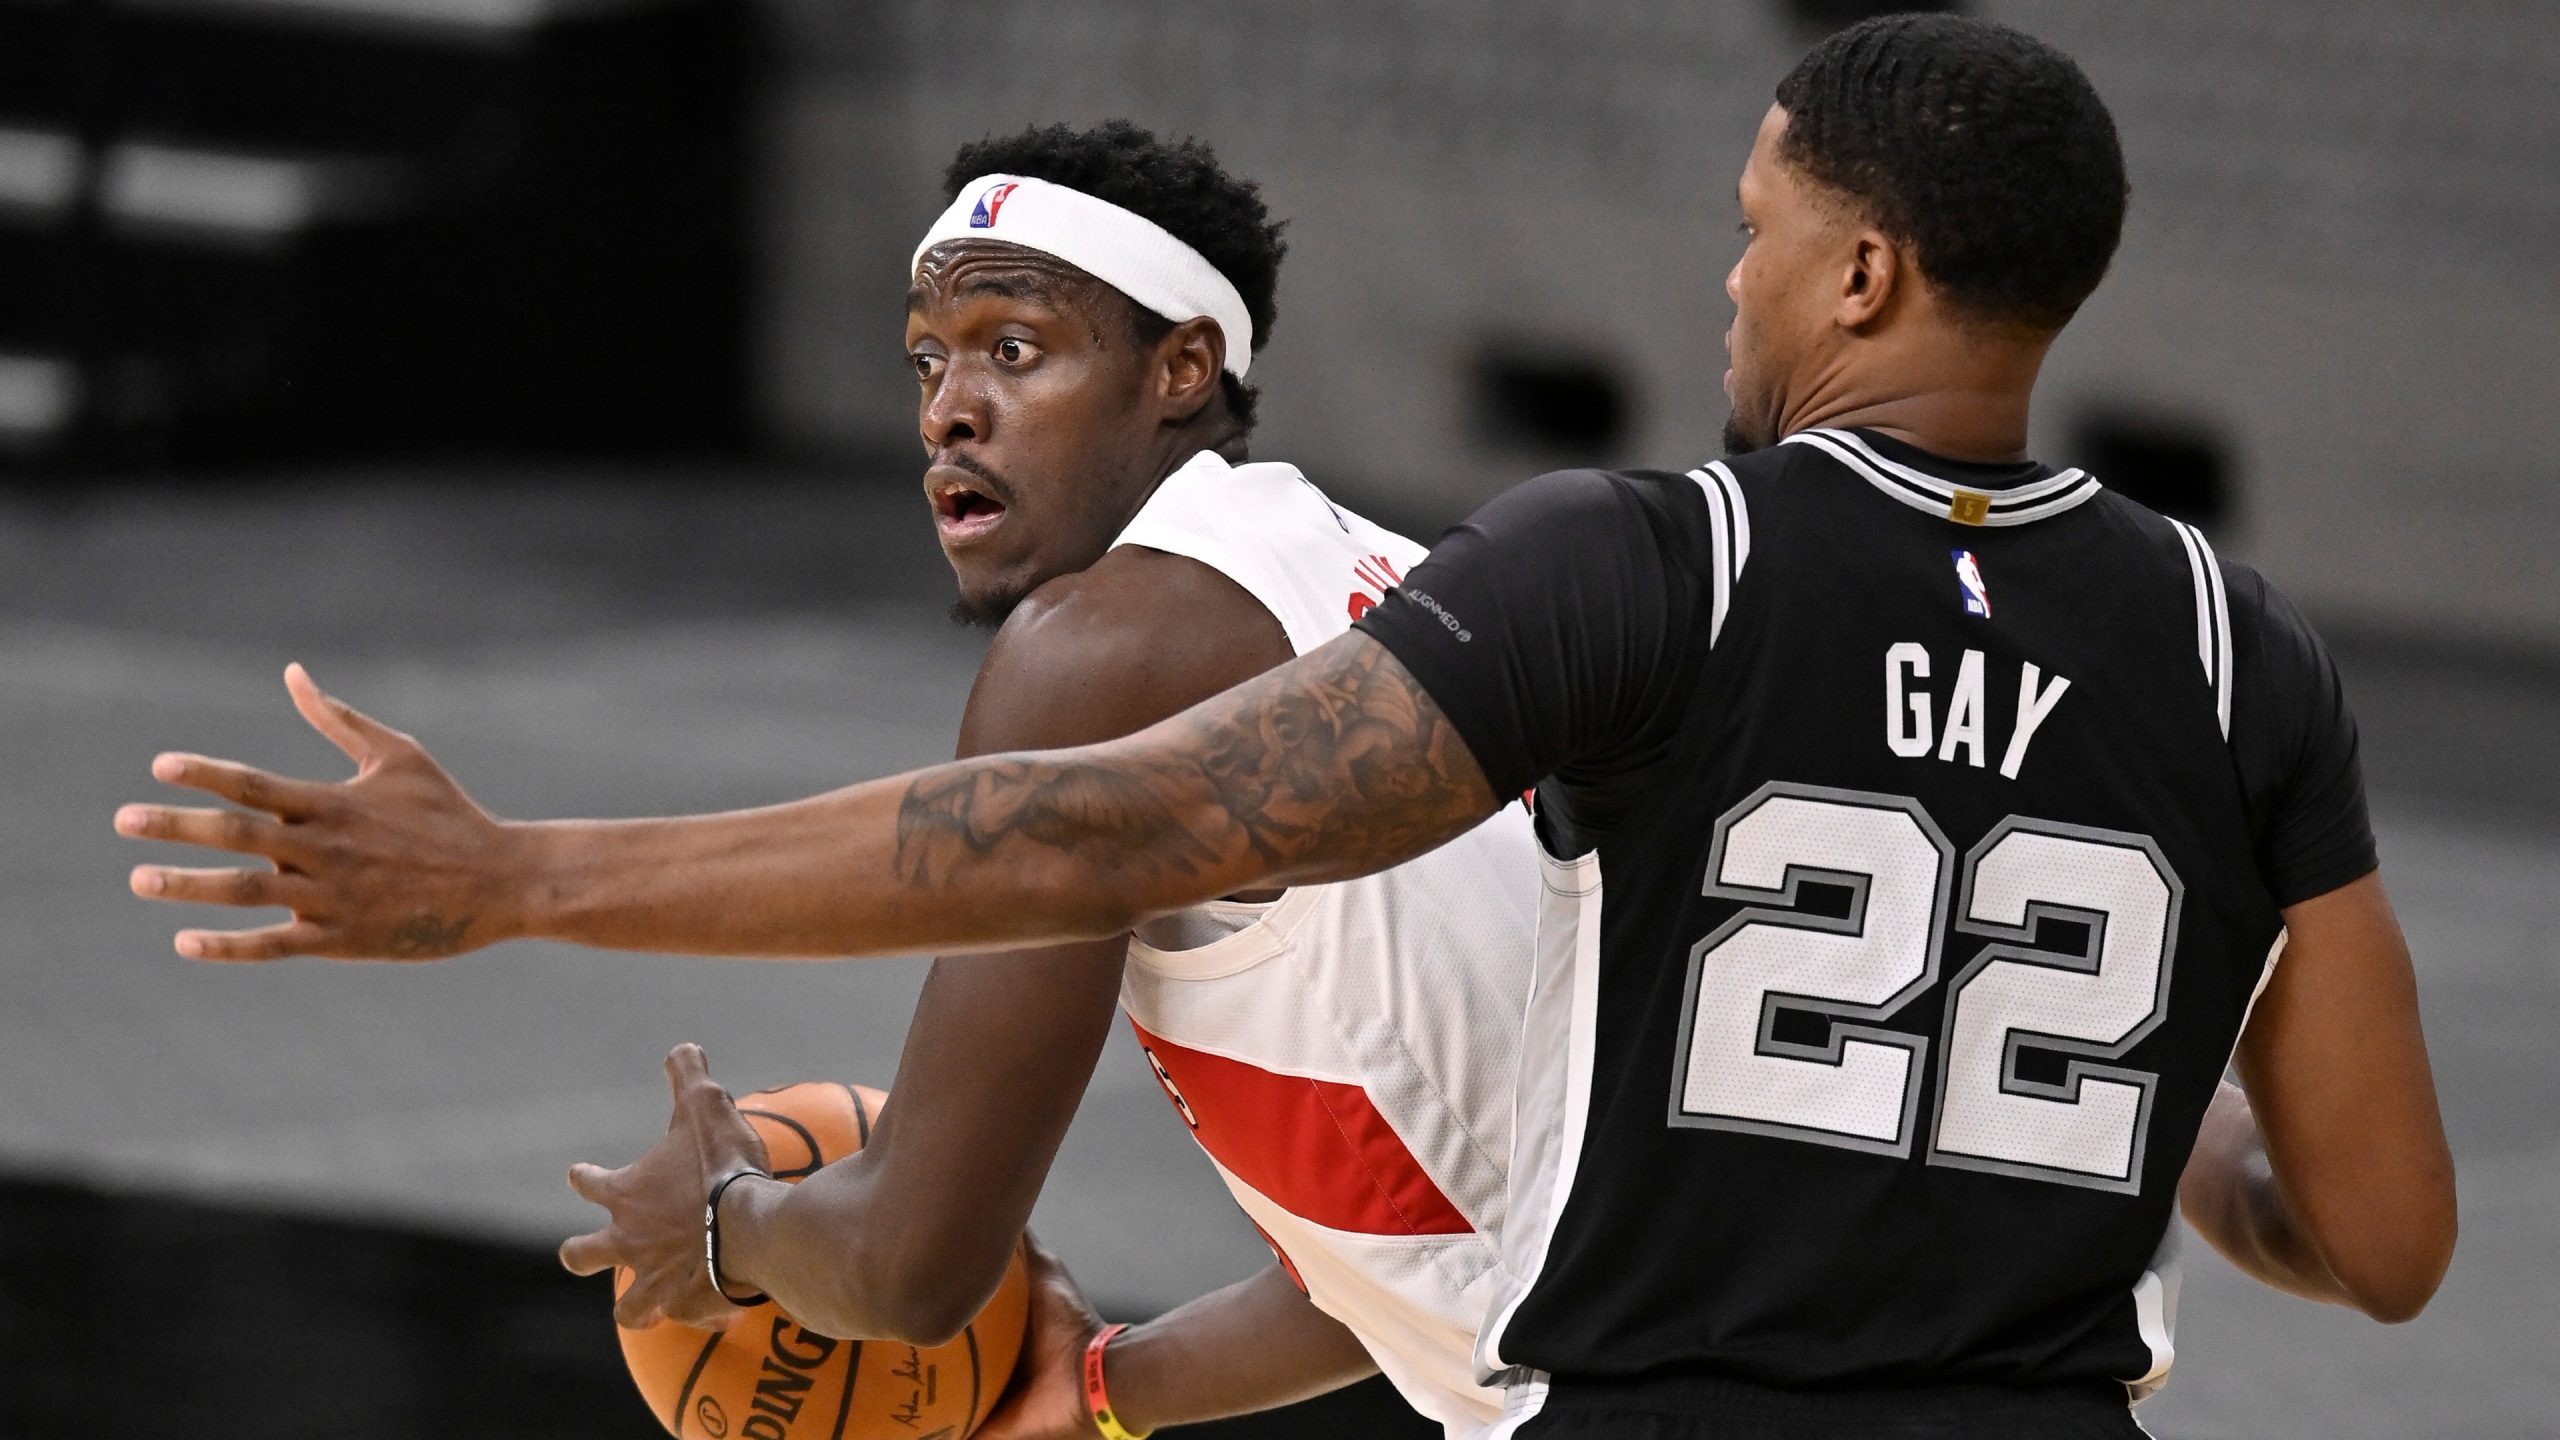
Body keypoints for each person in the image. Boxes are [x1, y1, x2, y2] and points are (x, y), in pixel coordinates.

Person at [118, 17, 2456, 1440]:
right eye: (931, 355)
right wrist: (2099, 1108)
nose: (1725, 279)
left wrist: (539, 912)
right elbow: (2372, 1238)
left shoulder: (1632, 576)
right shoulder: (2238, 652)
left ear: (1858, 271)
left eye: (1752, 229)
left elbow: (1063, 871)